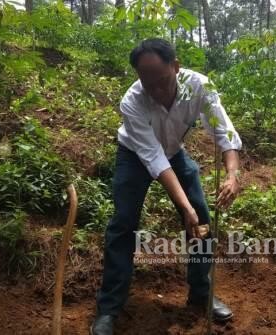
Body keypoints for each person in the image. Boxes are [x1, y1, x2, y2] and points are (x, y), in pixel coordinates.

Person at [90, 38, 242, 335]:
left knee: (201, 217)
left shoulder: (200, 86)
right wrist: (182, 205)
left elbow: (224, 132)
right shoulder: (132, 101)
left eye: (162, 80)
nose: (157, 91)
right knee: (123, 224)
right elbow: (153, 158)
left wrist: (232, 175)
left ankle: (201, 293)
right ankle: (109, 308)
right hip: (134, 155)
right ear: (138, 77)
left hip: (174, 152)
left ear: (176, 67)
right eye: (148, 83)